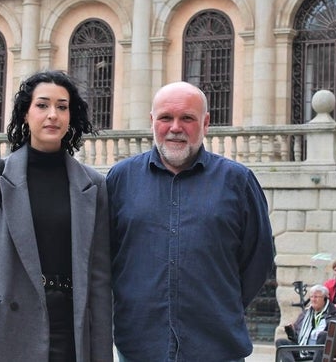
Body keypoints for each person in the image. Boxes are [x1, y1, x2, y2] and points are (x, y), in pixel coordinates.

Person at [0, 70, 113, 362]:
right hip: (8, 329)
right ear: (25, 113)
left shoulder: (93, 184)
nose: (53, 115)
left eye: (62, 107)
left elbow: (99, 278)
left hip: (72, 328)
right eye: (42, 105)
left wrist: (100, 352)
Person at [107, 81, 274, 362]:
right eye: (165, 118)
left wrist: (220, 304)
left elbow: (258, 258)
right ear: (152, 122)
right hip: (139, 347)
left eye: (187, 118)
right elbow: (105, 256)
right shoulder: (120, 179)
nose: (175, 127)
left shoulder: (237, 181)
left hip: (216, 347)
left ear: (205, 123)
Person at [275, 284, 336, 362]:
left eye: (316, 297)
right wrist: (291, 332)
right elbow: (297, 338)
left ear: (325, 298)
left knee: (323, 335)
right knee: (280, 342)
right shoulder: (305, 314)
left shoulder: (335, 312)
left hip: (319, 351)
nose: (313, 300)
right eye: (311, 297)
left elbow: (333, 330)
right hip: (302, 349)